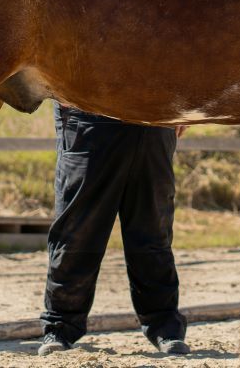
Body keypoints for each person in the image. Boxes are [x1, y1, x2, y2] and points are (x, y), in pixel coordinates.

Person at [37, 103, 190, 356]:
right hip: (89, 115)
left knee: (154, 230)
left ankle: (165, 327)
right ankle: (60, 328)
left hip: (155, 116)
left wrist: (183, 106)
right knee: (78, 232)